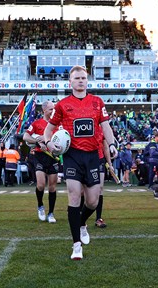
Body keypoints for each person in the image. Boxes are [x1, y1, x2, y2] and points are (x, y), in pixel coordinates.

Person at [43, 65, 117, 260]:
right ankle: (76, 245)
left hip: (93, 156)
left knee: (92, 201)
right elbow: (48, 130)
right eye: (77, 78)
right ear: (70, 82)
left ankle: (82, 223)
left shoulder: (97, 102)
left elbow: (106, 126)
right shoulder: (61, 105)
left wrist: (111, 144)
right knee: (74, 196)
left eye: (83, 78)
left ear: (87, 80)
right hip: (72, 156)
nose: (81, 81)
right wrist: (50, 144)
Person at [23, 101, 59, 223]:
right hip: (39, 156)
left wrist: (49, 140)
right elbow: (25, 137)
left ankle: (51, 213)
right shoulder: (37, 123)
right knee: (41, 184)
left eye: (53, 109)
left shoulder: (57, 124)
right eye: (50, 109)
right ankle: (40, 206)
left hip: (53, 157)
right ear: (44, 110)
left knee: (53, 186)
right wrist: (37, 142)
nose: (53, 111)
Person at [143, 132, 158, 197]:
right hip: (153, 160)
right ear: (156, 137)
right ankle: (150, 185)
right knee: (152, 173)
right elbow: (152, 153)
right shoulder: (152, 144)